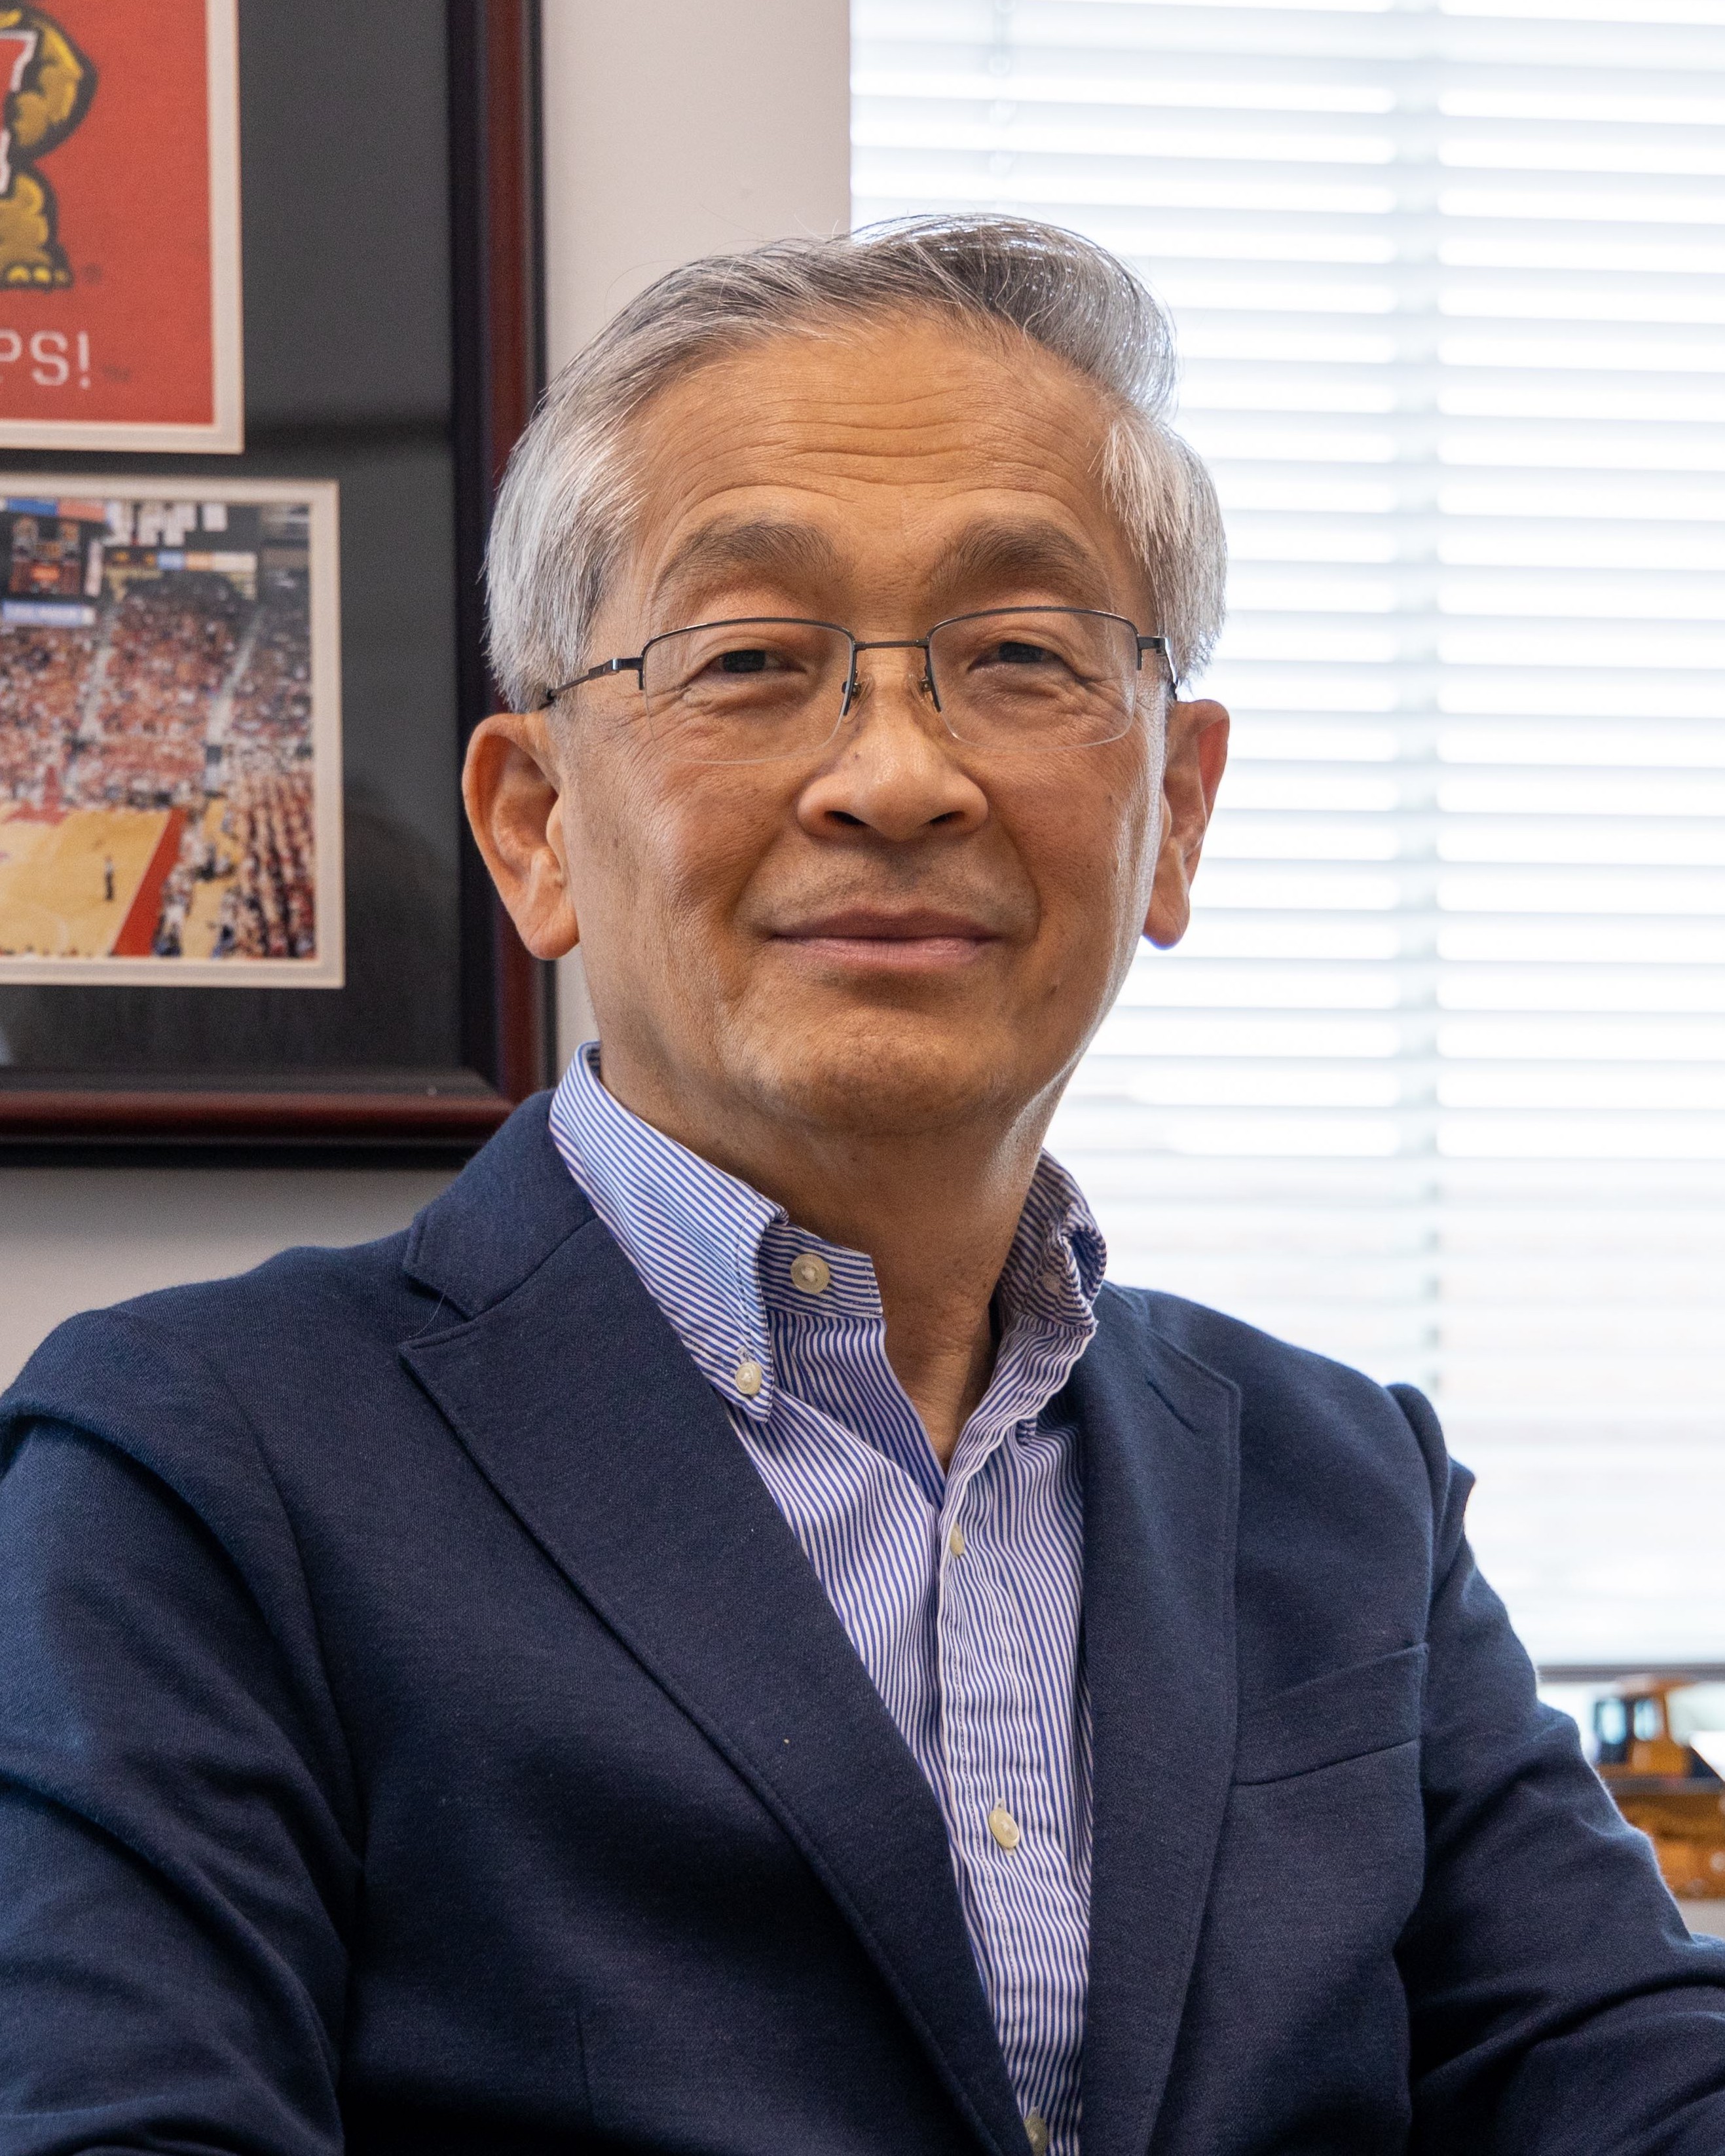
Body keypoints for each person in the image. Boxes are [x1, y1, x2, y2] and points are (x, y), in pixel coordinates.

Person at [1, 216, 1721, 2155]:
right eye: (748, 657)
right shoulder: (194, 1460)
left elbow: (1626, 2079)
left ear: (1179, 809)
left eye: (1018, 656)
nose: (895, 774)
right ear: (536, 823)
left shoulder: (1344, 1484)